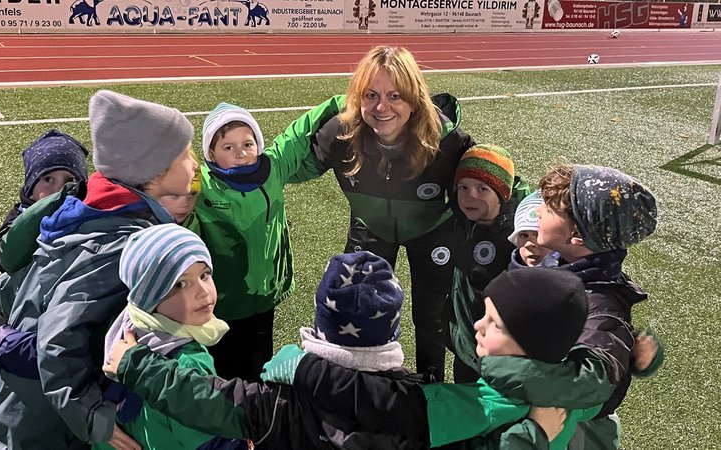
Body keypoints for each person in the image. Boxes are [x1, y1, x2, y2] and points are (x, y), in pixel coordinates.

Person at [105, 251, 577, 449]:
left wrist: (135, 363)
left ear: (320, 324)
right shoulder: (423, 403)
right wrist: (534, 433)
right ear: (391, 331)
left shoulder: (278, 396)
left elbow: (202, 399)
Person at [0, 89, 197, 450]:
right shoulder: (119, 240)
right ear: (155, 169)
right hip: (47, 427)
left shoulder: (85, 212)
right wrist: (92, 415)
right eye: (185, 154)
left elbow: (6, 288)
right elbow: (57, 339)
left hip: (21, 410)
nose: (193, 165)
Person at [289, 45, 477, 381]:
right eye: (371, 95)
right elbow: (285, 166)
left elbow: (496, 180)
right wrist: (247, 170)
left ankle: (429, 390)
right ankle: (359, 387)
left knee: (431, 318)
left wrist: (533, 217)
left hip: (433, 232)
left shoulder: (446, 140)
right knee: (355, 308)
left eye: (395, 96)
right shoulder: (342, 132)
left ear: (414, 98)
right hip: (371, 227)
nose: (381, 107)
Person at [259, 267, 600, 449]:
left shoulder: (482, 404)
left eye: (494, 323)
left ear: (530, 341)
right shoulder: (576, 386)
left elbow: (386, 403)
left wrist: (303, 367)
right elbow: (609, 385)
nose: (478, 325)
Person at [477, 163, 659, 449]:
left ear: (576, 236)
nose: (537, 211)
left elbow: (595, 379)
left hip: (580, 431)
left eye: (549, 209)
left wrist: (505, 368)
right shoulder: (569, 270)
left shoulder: (597, 299)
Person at [194, 102, 336, 380]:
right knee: (223, 369)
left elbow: (297, 134)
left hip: (264, 295)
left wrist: (345, 101)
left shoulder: (271, 168)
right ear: (210, 152)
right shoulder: (201, 183)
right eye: (228, 147)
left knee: (260, 364)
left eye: (248, 144)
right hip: (220, 302)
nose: (241, 153)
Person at [93, 223, 248, 450]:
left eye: (205, 275)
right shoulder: (186, 365)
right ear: (148, 296)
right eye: (180, 284)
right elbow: (215, 444)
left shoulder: (123, 328)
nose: (203, 292)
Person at [446, 144, 531, 383]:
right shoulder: (464, 222)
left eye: (482, 188)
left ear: (502, 193)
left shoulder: (517, 239)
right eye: (463, 187)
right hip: (465, 347)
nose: (470, 196)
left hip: (497, 357)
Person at [0, 129, 89, 273]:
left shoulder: (87, 211)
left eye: (70, 181)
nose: (60, 189)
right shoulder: (19, 218)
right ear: (30, 191)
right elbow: (5, 258)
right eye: (48, 179)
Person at [506, 190, 559, 269]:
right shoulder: (509, 278)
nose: (529, 244)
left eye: (539, 234)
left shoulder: (575, 275)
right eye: (524, 235)